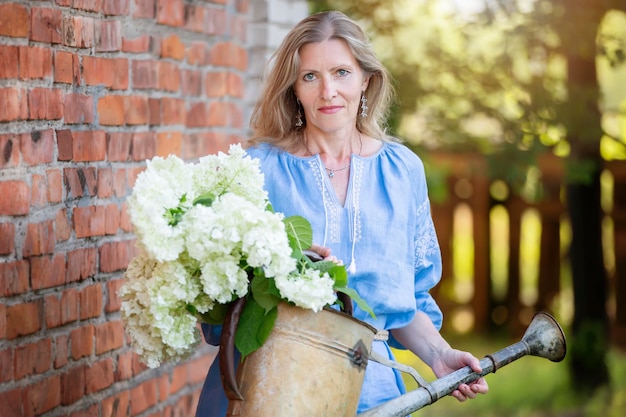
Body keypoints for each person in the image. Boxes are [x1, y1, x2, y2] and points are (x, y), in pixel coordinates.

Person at [195, 10, 489, 416]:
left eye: (341, 72)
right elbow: (219, 303)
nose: (328, 91)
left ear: (366, 79)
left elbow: (407, 302)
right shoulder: (256, 170)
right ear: (294, 88)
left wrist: (440, 355)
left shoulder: (403, 171)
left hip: (372, 391)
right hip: (269, 386)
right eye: (310, 76)